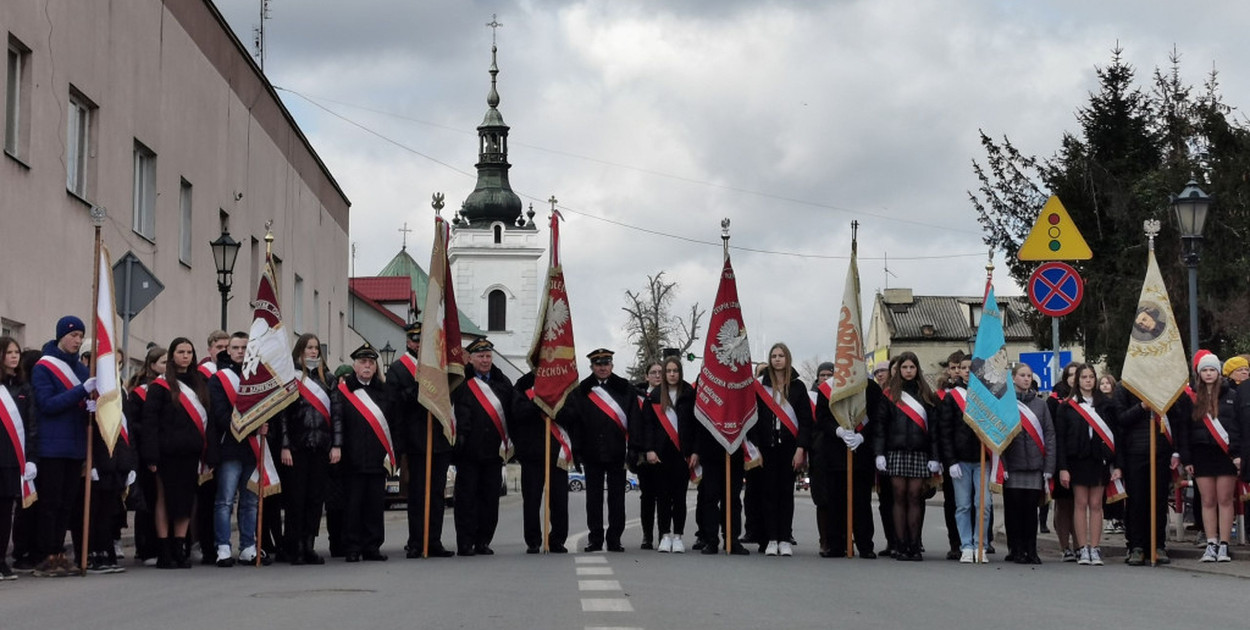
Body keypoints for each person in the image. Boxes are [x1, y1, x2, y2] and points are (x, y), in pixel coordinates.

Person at [31, 315, 94, 578]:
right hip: (52, 446)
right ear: (61, 336)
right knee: (50, 503)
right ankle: (45, 555)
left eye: (80, 336)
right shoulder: (43, 367)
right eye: (73, 336)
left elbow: (80, 399)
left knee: (67, 504)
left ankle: (58, 553)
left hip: (75, 446)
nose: (77, 341)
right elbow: (47, 404)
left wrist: (92, 405)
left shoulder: (81, 369)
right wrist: (81, 392)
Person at [384, 323, 455, 559]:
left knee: (436, 494)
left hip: (439, 442)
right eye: (415, 341)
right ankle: (416, 541)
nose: (418, 345)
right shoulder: (397, 370)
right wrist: (418, 388)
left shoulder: (438, 368)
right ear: (408, 342)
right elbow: (393, 406)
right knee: (417, 494)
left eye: (422, 341)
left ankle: (433, 540)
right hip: (415, 443)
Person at [140, 338, 210, 569]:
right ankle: (164, 549)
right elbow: (149, 422)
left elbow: (207, 420)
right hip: (165, 452)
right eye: (181, 352)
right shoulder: (160, 386)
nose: (186, 356)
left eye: (189, 352)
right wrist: (150, 455)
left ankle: (180, 546)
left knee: (186, 499)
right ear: (172, 355)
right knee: (163, 498)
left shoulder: (200, 382)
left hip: (191, 452)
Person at [871, 351, 939, 561]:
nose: (908, 371)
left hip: (920, 452)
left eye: (912, 367)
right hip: (895, 451)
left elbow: (935, 429)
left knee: (915, 498)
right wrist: (879, 453)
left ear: (917, 369)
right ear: (898, 370)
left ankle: (914, 545)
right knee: (898, 498)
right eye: (904, 368)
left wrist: (935, 457)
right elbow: (880, 426)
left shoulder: (926, 393)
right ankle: (900, 545)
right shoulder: (890, 394)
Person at [281, 333, 341, 565]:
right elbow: (284, 416)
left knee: (316, 499)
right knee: (296, 499)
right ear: (300, 351)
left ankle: (309, 545)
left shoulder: (329, 379)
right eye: (308, 348)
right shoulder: (290, 378)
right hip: (297, 447)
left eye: (316, 348)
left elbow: (336, 415)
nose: (313, 352)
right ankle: (294, 545)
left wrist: (336, 445)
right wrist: (285, 445)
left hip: (321, 448)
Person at [810, 361, 879, 559]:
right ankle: (836, 544)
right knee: (835, 502)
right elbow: (822, 417)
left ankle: (865, 545)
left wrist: (862, 436)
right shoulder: (828, 388)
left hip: (861, 452)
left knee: (862, 502)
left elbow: (877, 417)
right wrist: (838, 431)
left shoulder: (871, 388)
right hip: (834, 453)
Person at [452, 338, 514, 556]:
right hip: (468, 452)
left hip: (493, 452)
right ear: (470, 359)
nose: (485, 360)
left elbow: (511, 413)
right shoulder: (460, 382)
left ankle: (483, 540)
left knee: (489, 500)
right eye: (480, 356)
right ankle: (465, 542)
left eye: (488, 356)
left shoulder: (502, 382)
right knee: (467, 500)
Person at [748, 343, 811, 556]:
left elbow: (805, 421)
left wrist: (801, 448)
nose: (776, 359)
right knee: (767, 493)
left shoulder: (798, 387)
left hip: (789, 448)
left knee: (785, 493)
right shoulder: (759, 387)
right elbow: (752, 419)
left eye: (781, 355)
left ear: (788, 358)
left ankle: (784, 538)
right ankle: (771, 538)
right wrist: (756, 447)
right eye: (773, 356)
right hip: (766, 447)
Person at [570, 348, 636, 553]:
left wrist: (634, 449)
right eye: (598, 364)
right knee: (594, 500)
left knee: (617, 499)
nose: (603, 367)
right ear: (592, 367)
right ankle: (595, 539)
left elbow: (634, 420)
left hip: (617, 451)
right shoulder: (582, 390)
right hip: (592, 452)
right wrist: (577, 451)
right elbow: (576, 424)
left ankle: (615, 538)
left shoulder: (625, 388)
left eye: (606, 363)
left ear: (612, 366)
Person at [1056, 363, 1119, 566]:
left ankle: (1095, 547)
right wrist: (1063, 468)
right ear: (1077, 381)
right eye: (1084, 377)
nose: (1088, 380)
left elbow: (1116, 436)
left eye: (1091, 377)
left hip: (1099, 461)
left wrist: (1117, 464)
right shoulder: (1067, 406)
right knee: (1080, 504)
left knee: (1096, 505)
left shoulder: (1106, 405)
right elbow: (1061, 440)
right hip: (1077, 461)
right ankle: (1082, 548)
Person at [334, 343, 393, 562]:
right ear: (355, 366)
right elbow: (338, 422)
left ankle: (372, 546)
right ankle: (352, 547)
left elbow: (392, 423)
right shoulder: (343, 391)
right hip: (352, 458)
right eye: (363, 362)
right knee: (352, 505)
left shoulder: (384, 391)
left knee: (375, 506)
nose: (367, 366)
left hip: (377, 459)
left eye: (370, 363)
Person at [1184, 351, 1241, 563]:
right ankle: (1211, 542)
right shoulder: (1192, 398)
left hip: (1225, 454)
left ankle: (1224, 544)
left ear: (1219, 373)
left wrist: (1237, 454)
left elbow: (1237, 427)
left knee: (1225, 500)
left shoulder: (1232, 396)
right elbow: (1186, 429)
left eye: (1212, 370)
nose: (1208, 374)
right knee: (1207, 500)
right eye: (1205, 370)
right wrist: (1187, 459)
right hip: (1201, 453)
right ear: (1199, 374)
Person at [938, 349, 993, 564]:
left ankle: (981, 543)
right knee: (962, 505)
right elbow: (946, 430)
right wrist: (949, 461)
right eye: (963, 368)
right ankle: (966, 545)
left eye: (972, 368)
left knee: (984, 504)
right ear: (958, 371)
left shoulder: (988, 396)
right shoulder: (952, 397)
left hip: (983, 460)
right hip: (960, 460)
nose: (967, 372)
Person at [1001, 364, 1055, 565]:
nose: (1026, 379)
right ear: (1013, 378)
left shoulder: (1041, 405)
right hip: (1013, 465)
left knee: (1031, 510)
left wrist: (1049, 467)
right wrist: (1002, 465)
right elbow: (998, 435)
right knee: (1013, 510)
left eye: (1029, 376)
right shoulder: (1005, 403)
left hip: (1035, 465)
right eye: (1022, 375)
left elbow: (1049, 435)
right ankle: (1016, 549)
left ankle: (1031, 549)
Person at [513, 370, 572, 554]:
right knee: (531, 500)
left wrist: (554, 408)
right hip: (532, 454)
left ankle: (557, 540)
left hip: (557, 455)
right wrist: (538, 406)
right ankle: (533, 541)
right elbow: (517, 412)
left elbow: (573, 413)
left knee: (559, 501)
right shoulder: (523, 385)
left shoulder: (564, 385)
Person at [640, 357, 695, 553]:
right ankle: (664, 535)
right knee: (662, 496)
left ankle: (678, 536)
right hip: (660, 454)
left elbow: (695, 426)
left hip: (683, 454)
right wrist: (649, 450)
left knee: (679, 497)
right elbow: (647, 426)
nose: (672, 374)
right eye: (668, 371)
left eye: (675, 371)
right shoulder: (654, 396)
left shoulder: (689, 393)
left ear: (680, 373)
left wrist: (695, 451)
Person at [125, 345, 166, 566]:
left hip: (167, 451)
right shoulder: (140, 392)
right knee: (148, 500)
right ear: (152, 366)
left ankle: (165, 545)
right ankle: (146, 547)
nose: (166, 367)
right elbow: (133, 423)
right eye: (162, 363)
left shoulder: (173, 388)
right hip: (146, 452)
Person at [0, 336, 36, 580]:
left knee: (5, 512)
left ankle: (2, 559)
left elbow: (31, 424)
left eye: (17, 352)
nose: (14, 356)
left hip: (13, 460)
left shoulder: (24, 387)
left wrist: (31, 458)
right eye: (9, 352)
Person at [934, 350, 969, 561]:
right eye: (954, 367)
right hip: (951, 456)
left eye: (961, 367)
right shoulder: (942, 395)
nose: (957, 371)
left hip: (972, 455)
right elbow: (940, 428)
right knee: (953, 502)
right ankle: (955, 542)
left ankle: (978, 541)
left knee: (975, 502)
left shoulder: (977, 391)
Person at [1046, 362, 1080, 559]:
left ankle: (1079, 544)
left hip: (1080, 459)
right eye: (1071, 374)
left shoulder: (1085, 398)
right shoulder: (1055, 399)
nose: (1074, 378)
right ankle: (1064, 546)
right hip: (1061, 457)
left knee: (1079, 504)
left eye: (1078, 374)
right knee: (1063, 505)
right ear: (1065, 376)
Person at [869, 360, 898, 556]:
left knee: (901, 499)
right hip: (879, 452)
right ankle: (891, 541)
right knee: (885, 500)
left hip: (897, 451)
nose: (880, 374)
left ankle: (906, 539)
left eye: (883, 371)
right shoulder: (874, 393)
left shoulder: (897, 393)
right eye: (877, 371)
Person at [634, 361, 663, 550]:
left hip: (665, 454)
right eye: (653, 372)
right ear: (646, 377)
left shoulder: (671, 395)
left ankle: (664, 534)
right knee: (647, 496)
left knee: (664, 496)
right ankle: (647, 536)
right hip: (644, 455)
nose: (658, 375)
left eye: (660, 372)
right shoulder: (639, 396)